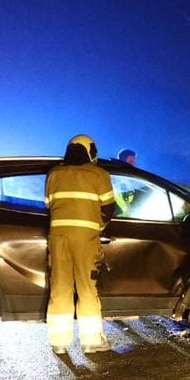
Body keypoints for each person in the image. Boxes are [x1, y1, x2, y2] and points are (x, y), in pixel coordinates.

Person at [45, 134, 116, 355]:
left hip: (58, 238)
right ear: (90, 151)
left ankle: (59, 341)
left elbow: (49, 205)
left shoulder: (54, 174)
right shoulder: (99, 174)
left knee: (60, 288)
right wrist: (96, 226)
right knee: (87, 288)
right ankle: (91, 340)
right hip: (86, 240)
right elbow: (109, 209)